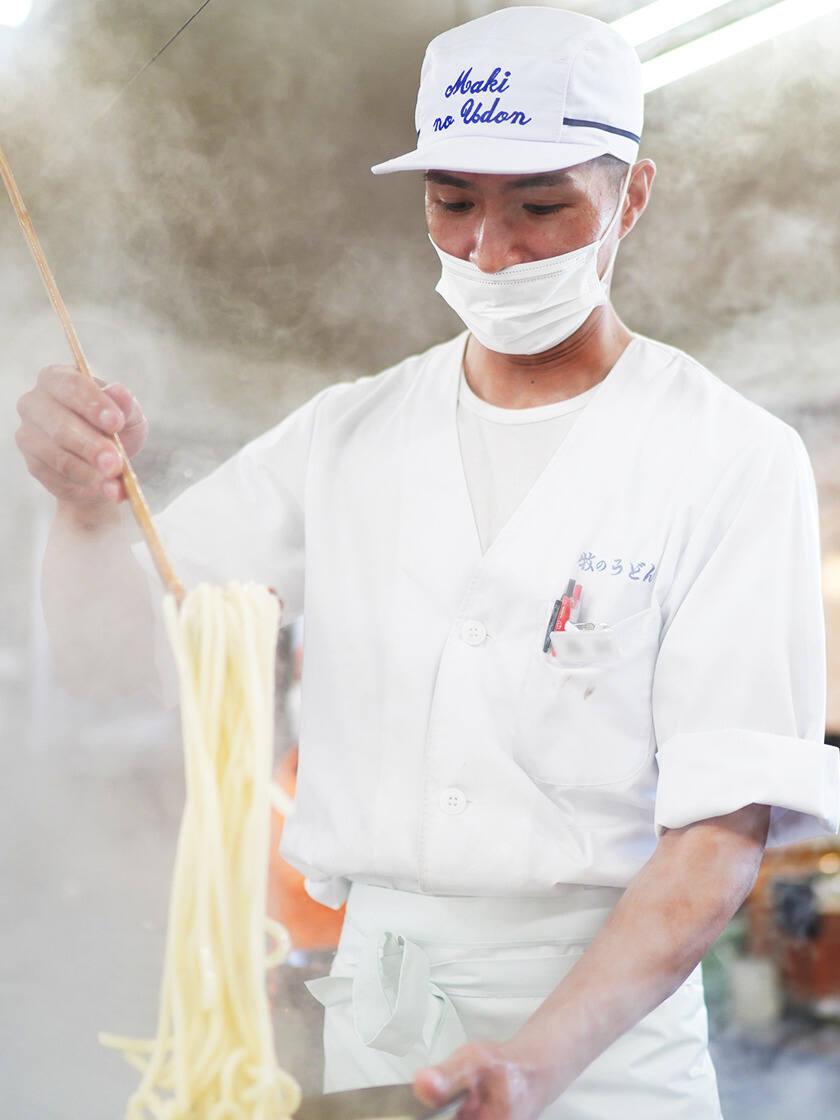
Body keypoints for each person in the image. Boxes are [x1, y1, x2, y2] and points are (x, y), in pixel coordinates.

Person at [15, 7, 840, 1119]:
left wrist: (539, 1057)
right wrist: (84, 512)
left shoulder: (729, 458)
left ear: (630, 199)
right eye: (453, 204)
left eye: (542, 208)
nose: (490, 252)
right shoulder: (347, 436)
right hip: (376, 1020)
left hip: (603, 1054)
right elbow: (116, 650)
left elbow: (718, 837)